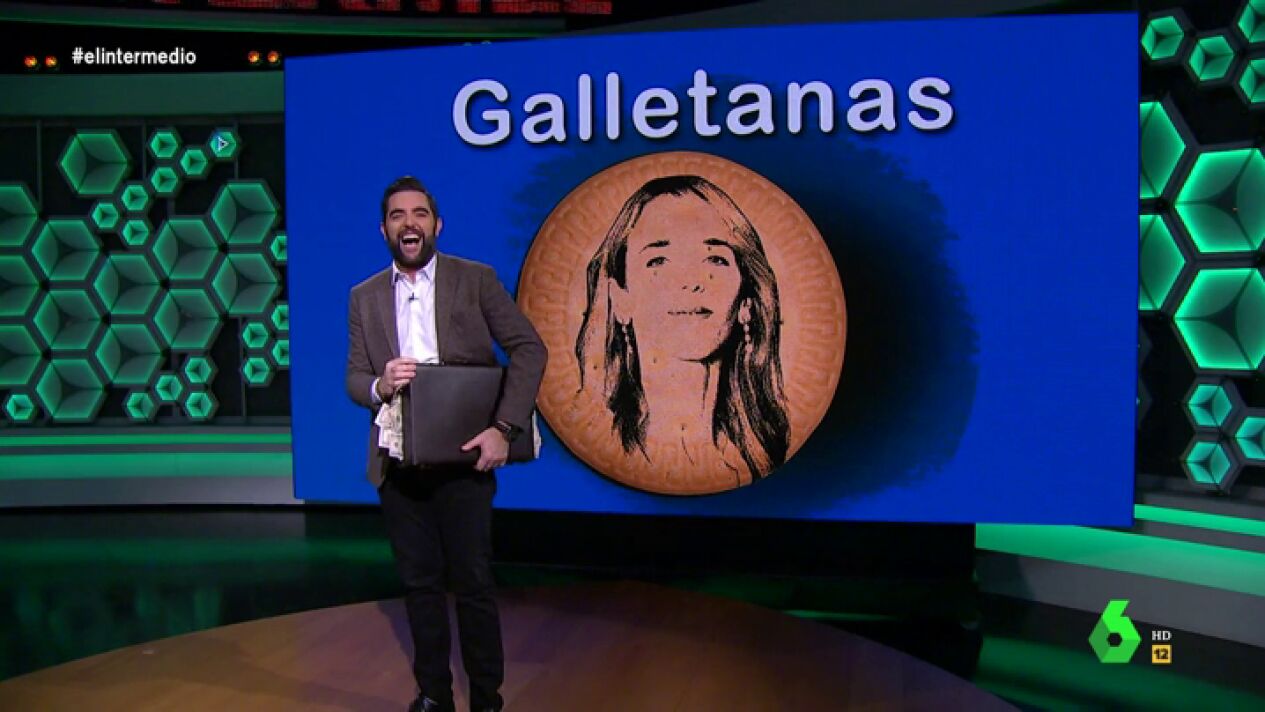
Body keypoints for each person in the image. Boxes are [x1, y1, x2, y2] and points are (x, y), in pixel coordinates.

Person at [346, 176, 546, 712]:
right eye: (397, 215)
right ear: (383, 229)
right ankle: (433, 695)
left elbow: (529, 348)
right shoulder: (364, 297)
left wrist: (504, 428)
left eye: (419, 214)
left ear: (437, 224)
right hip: (399, 465)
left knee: (473, 584)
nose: (408, 223)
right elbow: (354, 378)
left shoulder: (475, 280)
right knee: (419, 586)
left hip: (466, 459)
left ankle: (486, 699)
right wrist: (379, 384)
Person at [575, 174, 789, 487]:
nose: (690, 281)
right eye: (658, 260)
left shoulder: (768, 456)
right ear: (620, 299)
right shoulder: (589, 447)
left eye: (715, 259)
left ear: (746, 301)